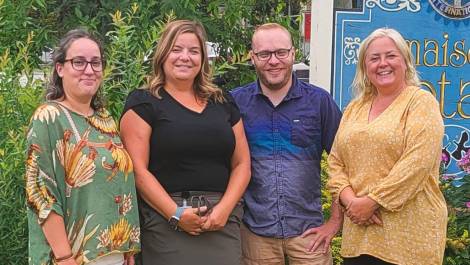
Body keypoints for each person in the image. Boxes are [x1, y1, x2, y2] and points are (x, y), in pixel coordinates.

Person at [120, 20, 251, 265]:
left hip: (221, 221)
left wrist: (225, 209)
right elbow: (137, 170)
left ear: (203, 59)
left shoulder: (223, 101)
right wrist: (175, 214)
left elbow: (242, 164)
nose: (185, 57)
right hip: (166, 221)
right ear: (162, 54)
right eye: (176, 49)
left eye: (194, 51)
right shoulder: (143, 103)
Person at [327, 27, 447, 265]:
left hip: (408, 239)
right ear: (364, 67)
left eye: (391, 56)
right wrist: (351, 202)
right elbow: (335, 161)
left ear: (405, 61)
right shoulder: (355, 108)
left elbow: (417, 164)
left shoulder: (421, 103)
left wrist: (372, 202)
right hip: (360, 236)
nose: (383, 63)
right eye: (374, 58)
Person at [231, 23, 343, 265]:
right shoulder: (235, 104)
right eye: (264, 54)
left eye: (281, 52)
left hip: (309, 236)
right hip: (255, 236)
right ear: (253, 57)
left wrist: (334, 222)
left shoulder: (319, 102)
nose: (274, 61)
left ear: (293, 54)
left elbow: (344, 162)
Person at [25, 29, 140, 265]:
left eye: (96, 63)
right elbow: (40, 192)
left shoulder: (105, 120)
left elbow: (116, 183)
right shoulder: (49, 117)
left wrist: (125, 244)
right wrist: (64, 256)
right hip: (72, 257)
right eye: (78, 62)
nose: (89, 70)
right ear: (60, 68)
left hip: (112, 255)